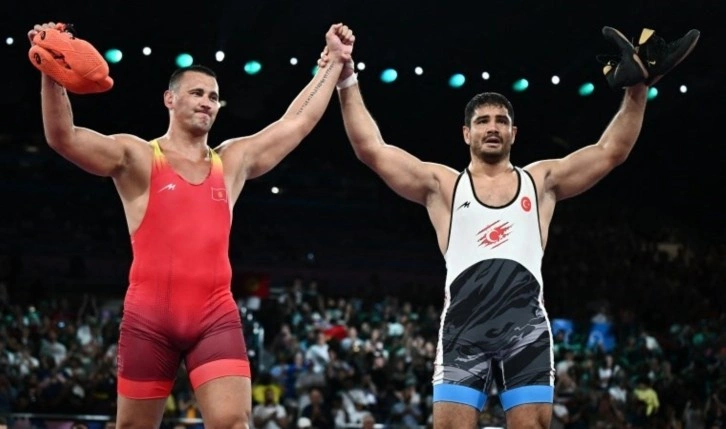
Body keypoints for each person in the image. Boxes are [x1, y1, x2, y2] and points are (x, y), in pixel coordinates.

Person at [319, 26, 697, 428]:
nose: (492, 127)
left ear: (514, 133)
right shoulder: (443, 186)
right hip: (464, 331)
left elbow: (611, 151)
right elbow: (371, 149)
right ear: (466, 133)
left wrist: (637, 89)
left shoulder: (541, 181)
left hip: (526, 332)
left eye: (501, 121)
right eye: (482, 121)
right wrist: (347, 77)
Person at [28, 21, 355, 429]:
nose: (207, 102)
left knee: (234, 424)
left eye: (214, 97)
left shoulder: (231, 161)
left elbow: (295, 123)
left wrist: (333, 63)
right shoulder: (137, 157)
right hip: (148, 320)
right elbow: (64, 138)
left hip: (214, 317)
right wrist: (51, 71)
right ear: (170, 99)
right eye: (197, 93)